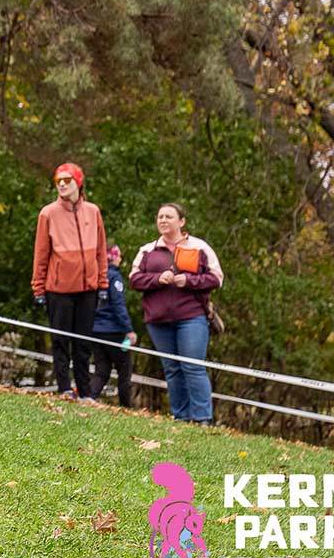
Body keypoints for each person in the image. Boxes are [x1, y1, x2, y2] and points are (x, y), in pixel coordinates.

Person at [128, 203, 222, 424]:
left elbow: (216, 278)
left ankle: (202, 419)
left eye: (169, 216)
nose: (163, 220)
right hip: (158, 320)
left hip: (191, 317)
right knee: (172, 369)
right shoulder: (147, 251)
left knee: (192, 365)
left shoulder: (199, 247)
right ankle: (181, 417)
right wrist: (157, 279)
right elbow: (134, 279)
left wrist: (189, 281)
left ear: (181, 221)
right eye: (160, 216)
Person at [31, 162, 108, 399]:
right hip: (59, 290)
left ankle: (85, 392)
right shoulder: (48, 213)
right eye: (58, 181)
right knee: (61, 340)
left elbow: (101, 249)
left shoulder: (93, 211)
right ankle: (64, 388)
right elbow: (41, 253)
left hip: (88, 288)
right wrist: (38, 287)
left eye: (67, 180)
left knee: (83, 343)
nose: (62, 185)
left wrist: (103, 283)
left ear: (79, 182)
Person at [86, 243, 137, 406]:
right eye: (119, 256)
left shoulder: (93, 274)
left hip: (95, 330)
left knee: (102, 370)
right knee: (124, 370)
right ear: (113, 257)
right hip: (114, 332)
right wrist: (129, 330)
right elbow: (118, 305)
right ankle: (126, 407)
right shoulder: (113, 277)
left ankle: (90, 397)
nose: (120, 259)